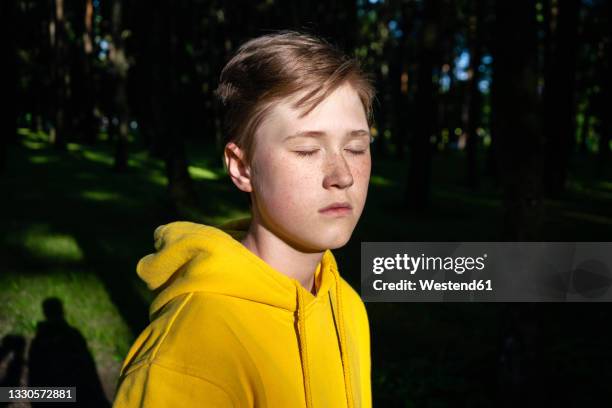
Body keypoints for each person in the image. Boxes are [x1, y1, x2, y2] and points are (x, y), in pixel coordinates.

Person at [113, 30, 376, 408]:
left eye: (356, 147)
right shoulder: (190, 352)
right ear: (241, 167)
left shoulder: (348, 307)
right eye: (306, 149)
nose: (343, 174)